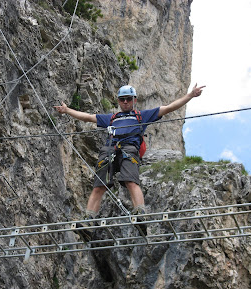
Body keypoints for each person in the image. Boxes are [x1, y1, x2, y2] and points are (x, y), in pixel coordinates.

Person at [55, 83, 205, 237]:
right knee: (99, 185)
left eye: (128, 99)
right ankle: (88, 219)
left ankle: (140, 213)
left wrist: (190, 95)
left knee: (131, 181)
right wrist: (67, 111)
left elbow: (168, 108)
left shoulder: (142, 116)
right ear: (118, 101)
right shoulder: (111, 118)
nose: (125, 102)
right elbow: (88, 117)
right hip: (110, 150)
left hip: (129, 149)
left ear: (134, 100)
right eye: (122, 99)